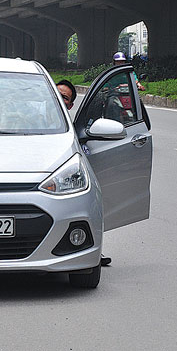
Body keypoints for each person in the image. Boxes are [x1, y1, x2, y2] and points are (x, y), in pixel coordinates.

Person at [56, 79, 112, 267]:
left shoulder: (72, 129)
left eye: (64, 97)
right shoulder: (27, 118)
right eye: (55, 93)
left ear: (70, 105)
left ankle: (88, 249)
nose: (58, 98)